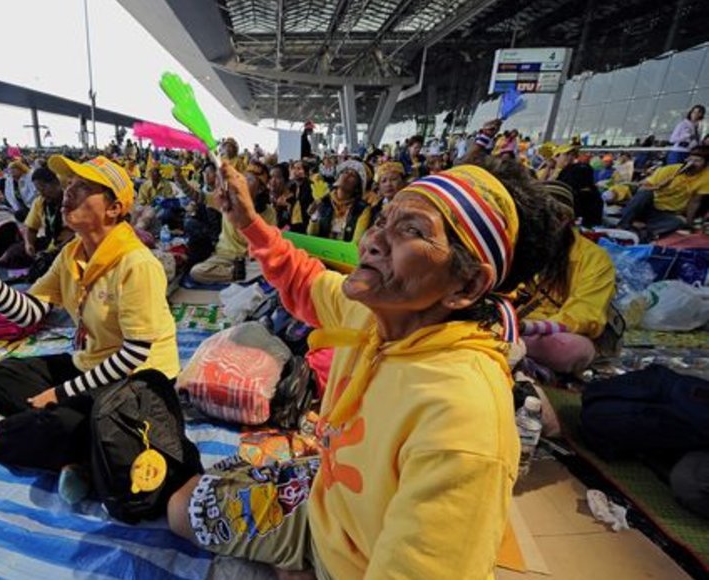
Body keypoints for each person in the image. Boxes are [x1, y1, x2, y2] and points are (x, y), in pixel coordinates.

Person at [168, 157, 562, 579]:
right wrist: (247, 221)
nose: (374, 240)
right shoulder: (377, 315)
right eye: (385, 217)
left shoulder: (462, 417)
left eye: (412, 230)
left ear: (466, 286)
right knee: (181, 507)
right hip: (325, 500)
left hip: (356, 562)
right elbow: (305, 281)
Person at [0, 155, 179, 469]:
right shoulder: (71, 253)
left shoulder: (137, 264)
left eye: (82, 187)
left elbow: (134, 354)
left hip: (136, 382)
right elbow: (28, 313)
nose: (69, 192)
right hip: (90, 366)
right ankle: (85, 446)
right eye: (69, 184)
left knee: (63, 425)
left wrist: (59, 393)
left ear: (113, 208)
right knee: (5, 376)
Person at [517, 181, 616, 374]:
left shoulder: (594, 258)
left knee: (570, 349)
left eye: (554, 217)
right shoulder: (519, 245)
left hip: (551, 334)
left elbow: (585, 314)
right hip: (511, 327)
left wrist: (527, 327)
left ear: (566, 220)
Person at [190, 161, 275, 284]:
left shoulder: (269, 212)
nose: (244, 183)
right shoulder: (228, 200)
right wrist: (181, 181)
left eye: (250, 180)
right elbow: (199, 197)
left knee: (269, 267)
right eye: (243, 179)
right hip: (225, 255)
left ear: (261, 189)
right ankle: (235, 274)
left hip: (250, 260)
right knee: (197, 272)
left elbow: (266, 243)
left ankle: (240, 274)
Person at [616, 145, 709, 238]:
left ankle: (643, 229)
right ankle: (623, 225)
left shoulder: (706, 177)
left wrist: (688, 224)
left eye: (697, 161)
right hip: (649, 206)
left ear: (705, 164)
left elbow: (695, 202)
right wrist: (658, 186)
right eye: (691, 160)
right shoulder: (670, 169)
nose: (692, 163)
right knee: (645, 193)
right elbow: (642, 187)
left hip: (666, 213)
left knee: (679, 223)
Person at [306, 164, 371, 242]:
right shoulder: (324, 200)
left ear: (357, 188)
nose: (346, 175)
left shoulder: (362, 209)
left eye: (352, 175)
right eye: (345, 172)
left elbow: (356, 242)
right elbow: (311, 234)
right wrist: (314, 216)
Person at [554, 144, 603, 227]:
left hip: (578, 214)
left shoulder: (569, 172)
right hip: (591, 214)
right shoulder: (582, 168)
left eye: (558, 156)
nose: (555, 160)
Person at [270, 163, 308, 234]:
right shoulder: (268, 199)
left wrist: (281, 232)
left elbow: (296, 227)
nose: (272, 181)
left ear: (286, 181)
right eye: (271, 177)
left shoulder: (294, 203)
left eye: (277, 177)